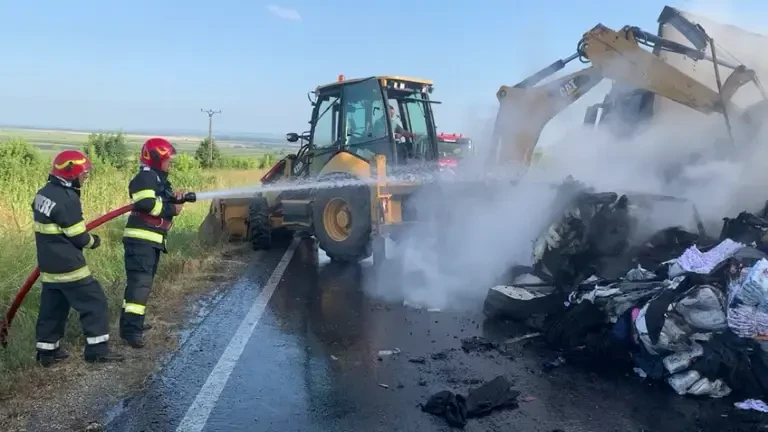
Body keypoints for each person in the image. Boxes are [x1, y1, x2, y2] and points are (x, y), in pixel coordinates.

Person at [32, 150, 124, 365]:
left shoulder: (43, 193)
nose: (85, 178)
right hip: (69, 266)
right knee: (95, 303)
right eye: (83, 174)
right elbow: (78, 236)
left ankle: (46, 353)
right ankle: (97, 350)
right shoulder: (67, 199)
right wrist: (94, 241)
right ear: (70, 174)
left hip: (48, 265)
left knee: (53, 309)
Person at [120, 137, 184, 348]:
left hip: (150, 241)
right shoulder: (146, 177)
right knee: (140, 286)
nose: (170, 163)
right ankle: (132, 332)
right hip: (141, 241)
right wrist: (171, 209)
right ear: (156, 159)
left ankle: (130, 324)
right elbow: (147, 203)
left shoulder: (158, 179)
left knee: (138, 286)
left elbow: (161, 201)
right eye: (167, 159)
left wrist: (177, 200)